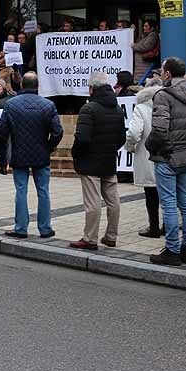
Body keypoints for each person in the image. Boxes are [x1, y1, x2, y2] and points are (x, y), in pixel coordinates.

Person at [146, 57, 186, 265]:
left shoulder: (163, 95)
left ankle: (172, 249)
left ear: (168, 74)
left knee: (170, 204)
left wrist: (152, 146)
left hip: (167, 156)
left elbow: (160, 129)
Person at [0, 72, 63, 239]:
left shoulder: (11, 104)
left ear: (22, 85)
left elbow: (1, 131)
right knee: (43, 191)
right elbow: (58, 131)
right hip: (41, 153)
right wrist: (49, 146)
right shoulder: (48, 105)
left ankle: (21, 228)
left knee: (21, 190)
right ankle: (45, 228)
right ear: (37, 86)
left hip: (19, 152)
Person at [69, 71, 126, 250]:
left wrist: (76, 154)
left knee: (92, 202)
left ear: (92, 89)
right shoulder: (117, 108)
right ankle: (111, 235)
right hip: (109, 159)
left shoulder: (89, 108)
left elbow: (82, 138)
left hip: (90, 161)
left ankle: (90, 238)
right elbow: (122, 138)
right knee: (113, 200)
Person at [126, 78, 163, 238]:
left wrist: (129, 147)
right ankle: (168, 226)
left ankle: (153, 227)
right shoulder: (168, 103)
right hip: (168, 154)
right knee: (168, 194)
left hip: (147, 155)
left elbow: (134, 132)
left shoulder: (141, 107)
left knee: (151, 194)